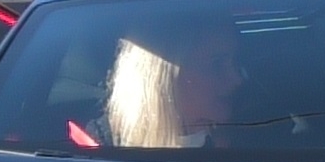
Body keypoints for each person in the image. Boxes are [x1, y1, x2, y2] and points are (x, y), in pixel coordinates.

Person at [103, 26, 244, 148]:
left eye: (237, 61)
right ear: (164, 76)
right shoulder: (100, 150)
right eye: (216, 64)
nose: (237, 79)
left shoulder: (255, 145)